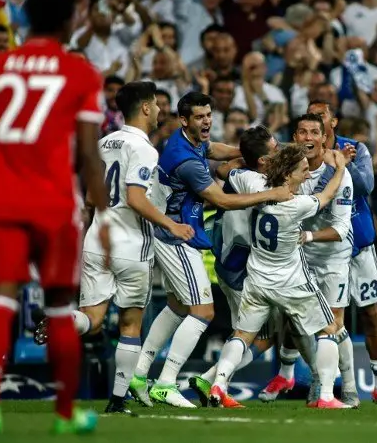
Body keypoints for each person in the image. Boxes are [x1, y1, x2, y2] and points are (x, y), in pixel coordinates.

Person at [0, 0, 110, 435]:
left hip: (5, 199)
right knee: (61, 307)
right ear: (70, 20)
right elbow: (88, 153)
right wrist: (102, 214)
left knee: (0, 300)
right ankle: (65, 413)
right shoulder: (81, 73)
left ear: (26, 20)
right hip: (53, 203)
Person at [32, 81, 195, 415]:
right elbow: (135, 198)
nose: (160, 111)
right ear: (146, 107)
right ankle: (117, 400)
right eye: (156, 104)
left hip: (97, 242)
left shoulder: (103, 143)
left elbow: (91, 199)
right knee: (130, 325)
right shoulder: (145, 149)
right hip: (131, 246)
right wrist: (171, 224)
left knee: (92, 319)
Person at [128, 92, 291, 408]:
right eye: (199, 117)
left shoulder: (188, 142)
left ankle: (139, 374)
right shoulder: (186, 161)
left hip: (171, 230)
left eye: (209, 115)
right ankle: (166, 383)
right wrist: (272, 192)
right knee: (203, 311)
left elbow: (213, 149)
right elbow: (223, 200)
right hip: (176, 235)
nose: (206, 121)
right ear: (185, 120)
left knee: (177, 306)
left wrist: (247, 154)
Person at [208, 143, 349, 409]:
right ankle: (327, 397)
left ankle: (219, 385)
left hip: (257, 280)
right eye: (303, 171)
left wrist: (239, 161)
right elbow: (327, 195)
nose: (307, 176)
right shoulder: (297, 204)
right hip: (291, 282)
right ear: (287, 175)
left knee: (241, 335)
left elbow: (227, 172)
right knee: (329, 328)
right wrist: (340, 168)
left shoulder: (253, 182)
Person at [259, 113, 355, 406]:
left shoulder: (339, 174)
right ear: (296, 137)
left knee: (333, 323)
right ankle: (297, 376)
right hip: (299, 259)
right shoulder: (289, 171)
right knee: (293, 320)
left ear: (325, 139)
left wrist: (308, 237)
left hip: (332, 259)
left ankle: (342, 388)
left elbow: (340, 229)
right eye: (302, 132)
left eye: (315, 132)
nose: (309, 137)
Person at [187, 126, 281, 408]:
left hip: (231, 262)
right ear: (262, 160)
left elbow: (225, 169)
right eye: (274, 149)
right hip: (240, 267)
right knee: (247, 334)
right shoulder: (255, 182)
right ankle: (217, 385)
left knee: (263, 336)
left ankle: (210, 379)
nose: (279, 151)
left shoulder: (237, 172)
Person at [310, 100, 377, 407]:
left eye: (320, 116)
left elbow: (367, 186)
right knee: (325, 319)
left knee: (372, 315)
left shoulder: (355, 148)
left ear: (332, 122)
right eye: (310, 117)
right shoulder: (305, 157)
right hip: (326, 249)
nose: (315, 123)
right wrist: (331, 167)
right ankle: (328, 386)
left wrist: (342, 164)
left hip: (359, 245)